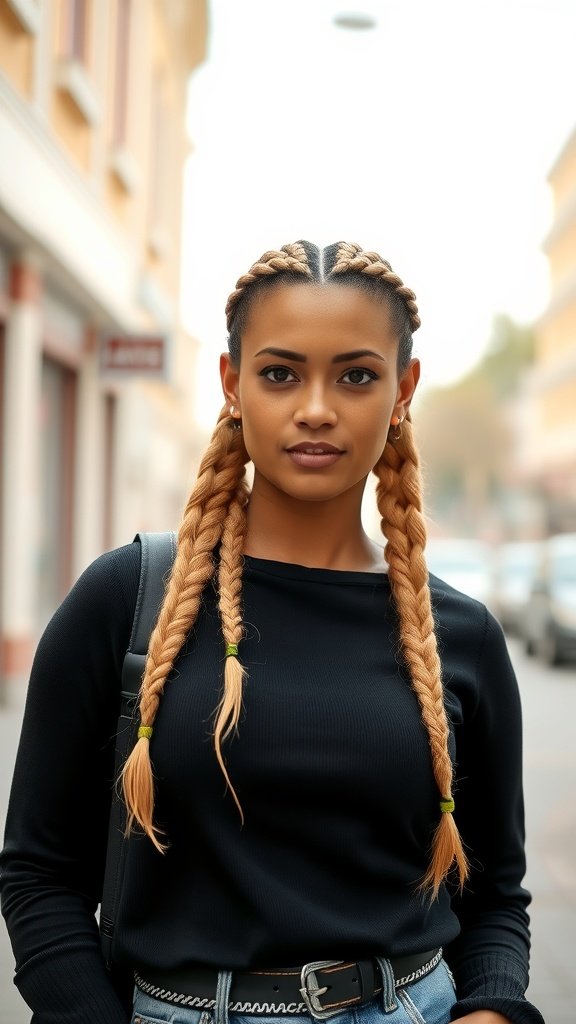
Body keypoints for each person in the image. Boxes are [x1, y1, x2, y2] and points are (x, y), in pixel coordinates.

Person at [1, 240, 544, 1024]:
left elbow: (494, 897)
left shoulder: (462, 635)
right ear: (232, 384)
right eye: (280, 373)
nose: (316, 407)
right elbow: (39, 874)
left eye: (356, 376)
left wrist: (490, 1011)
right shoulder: (125, 600)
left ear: (403, 390)